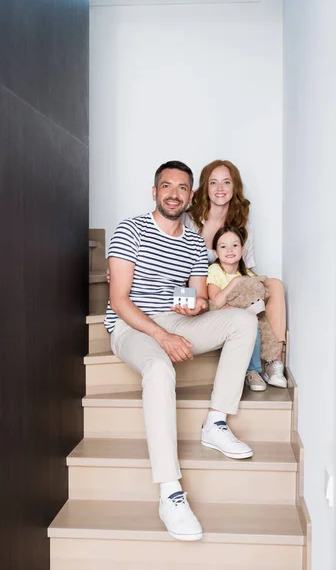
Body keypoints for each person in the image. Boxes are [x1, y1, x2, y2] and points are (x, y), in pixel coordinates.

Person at [105, 161, 258, 542]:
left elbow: (199, 294)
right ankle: (170, 492)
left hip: (174, 320)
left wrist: (196, 306)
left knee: (244, 321)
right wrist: (161, 335)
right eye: (166, 186)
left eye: (182, 187)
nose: (174, 193)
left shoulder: (192, 240)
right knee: (159, 369)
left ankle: (216, 422)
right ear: (155, 192)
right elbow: (119, 300)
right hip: (132, 324)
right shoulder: (130, 230)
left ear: (191, 196)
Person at [183, 159, 287, 388]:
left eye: (226, 182)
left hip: (232, 281)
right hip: (203, 288)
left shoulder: (242, 218)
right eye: (213, 183)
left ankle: (273, 361)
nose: (220, 189)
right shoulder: (190, 218)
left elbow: (246, 264)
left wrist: (250, 289)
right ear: (205, 187)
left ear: (234, 187)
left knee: (276, 285)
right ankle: (250, 367)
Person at [207, 226, 268, 392]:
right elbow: (216, 302)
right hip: (221, 320)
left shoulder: (248, 274)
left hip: (246, 318)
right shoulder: (214, 270)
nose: (229, 250)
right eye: (223, 246)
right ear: (215, 253)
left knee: (255, 323)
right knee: (246, 323)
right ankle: (251, 370)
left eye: (234, 245)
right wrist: (234, 283)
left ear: (243, 250)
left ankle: (255, 370)